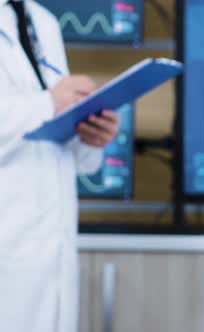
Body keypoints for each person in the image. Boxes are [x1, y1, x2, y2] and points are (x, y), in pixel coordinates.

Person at [0, 1, 120, 331]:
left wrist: (90, 133)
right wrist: (48, 104)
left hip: (50, 258)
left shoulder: (43, 21)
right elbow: (47, 106)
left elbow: (53, 136)